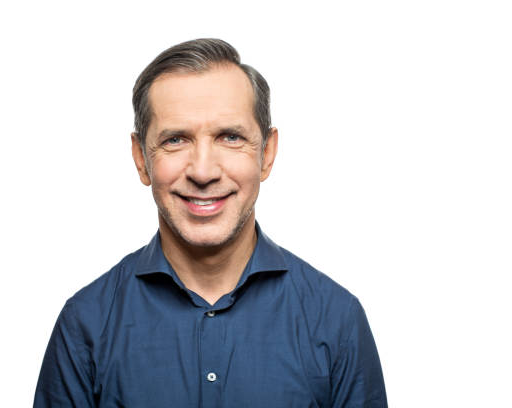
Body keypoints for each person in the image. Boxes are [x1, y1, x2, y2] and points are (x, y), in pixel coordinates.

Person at [34, 38, 387, 407]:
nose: (203, 172)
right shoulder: (85, 325)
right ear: (141, 159)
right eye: (175, 140)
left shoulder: (336, 320)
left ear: (266, 154)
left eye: (230, 137)